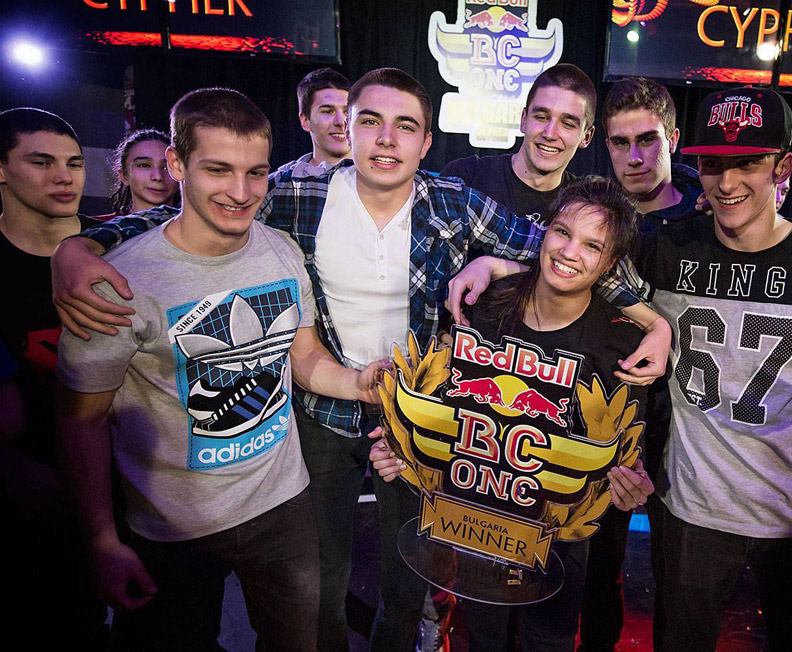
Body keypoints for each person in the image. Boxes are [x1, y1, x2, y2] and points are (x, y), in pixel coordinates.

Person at [48, 68, 671, 651]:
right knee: (317, 587)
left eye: (405, 126)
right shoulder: (296, 192)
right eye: (371, 121)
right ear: (347, 127)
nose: (387, 139)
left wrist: (652, 321)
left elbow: (566, 250)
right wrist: (79, 246)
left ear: (425, 142)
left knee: (408, 582)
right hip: (322, 408)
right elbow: (187, 213)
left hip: (417, 418)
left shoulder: (450, 201)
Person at [451, 86, 792, 652]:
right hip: (691, 506)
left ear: (781, 167)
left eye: (747, 163)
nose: (727, 183)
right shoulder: (670, 246)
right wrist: (499, 264)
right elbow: (579, 263)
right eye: (713, 165)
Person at [55, 87, 387, 651]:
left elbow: (302, 354)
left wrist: (357, 383)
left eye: (255, 173)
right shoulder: (118, 283)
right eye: (218, 170)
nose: (240, 192)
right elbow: (79, 420)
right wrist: (101, 540)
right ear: (176, 164)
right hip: (171, 527)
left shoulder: (281, 251)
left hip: (283, 505)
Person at [371, 176, 656, 652]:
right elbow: (442, 410)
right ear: (545, 232)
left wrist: (630, 486)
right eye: (562, 232)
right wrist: (401, 448)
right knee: (485, 639)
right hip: (477, 525)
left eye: (592, 245)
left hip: (557, 543)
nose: (569, 252)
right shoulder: (483, 306)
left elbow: (625, 454)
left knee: (548, 642)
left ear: (609, 264)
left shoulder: (622, 343)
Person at [0, 107, 108, 649]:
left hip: (128, 472)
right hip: (28, 488)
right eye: (41, 162)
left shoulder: (121, 244)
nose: (64, 177)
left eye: (74, 163)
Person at [441, 63, 595, 224]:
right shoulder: (465, 179)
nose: (549, 134)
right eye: (541, 117)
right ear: (523, 120)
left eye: (567, 124)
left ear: (586, 137)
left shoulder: (587, 206)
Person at [275, 67, 352, 176]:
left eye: (347, 111)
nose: (341, 122)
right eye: (328, 111)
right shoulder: (279, 182)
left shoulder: (375, 178)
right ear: (305, 121)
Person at [106, 128, 179, 217]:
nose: (158, 177)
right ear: (124, 175)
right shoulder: (100, 225)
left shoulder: (194, 224)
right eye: (144, 165)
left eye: (166, 167)